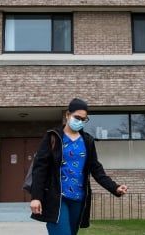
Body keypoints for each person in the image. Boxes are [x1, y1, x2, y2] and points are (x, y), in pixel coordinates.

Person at [29, 97, 128, 235]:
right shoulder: (53, 137)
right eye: (77, 117)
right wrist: (36, 197)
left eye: (83, 119)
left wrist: (115, 187)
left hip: (78, 199)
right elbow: (40, 169)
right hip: (57, 198)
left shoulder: (87, 140)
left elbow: (96, 169)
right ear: (67, 115)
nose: (80, 121)